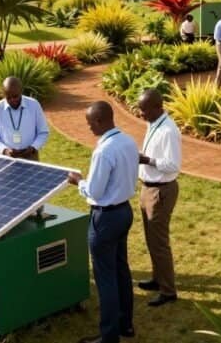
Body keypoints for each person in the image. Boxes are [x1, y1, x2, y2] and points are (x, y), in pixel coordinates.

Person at [68, 101, 139, 343]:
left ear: (100, 121)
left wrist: (78, 182)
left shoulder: (104, 151)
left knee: (105, 277)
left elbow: (95, 191)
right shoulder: (128, 141)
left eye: (90, 123)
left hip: (105, 218)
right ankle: (125, 324)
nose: (88, 128)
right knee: (121, 269)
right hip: (124, 212)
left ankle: (109, 336)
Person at [135, 89, 182, 307]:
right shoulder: (153, 124)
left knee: (159, 242)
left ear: (157, 107)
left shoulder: (168, 131)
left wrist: (146, 160)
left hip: (160, 191)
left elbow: (173, 165)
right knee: (150, 238)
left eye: (144, 109)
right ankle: (157, 278)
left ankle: (168, 290)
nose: (140, 113)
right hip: (148, 188)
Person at [0, 77, 50, 161]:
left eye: (15, 96)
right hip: (5, 158)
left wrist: (33, 148)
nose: (12, 100)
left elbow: (43, 132)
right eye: (8, 97)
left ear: (21, 91)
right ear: (4, 94)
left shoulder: (34, 105)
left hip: (30, 156)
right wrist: (5, 150)